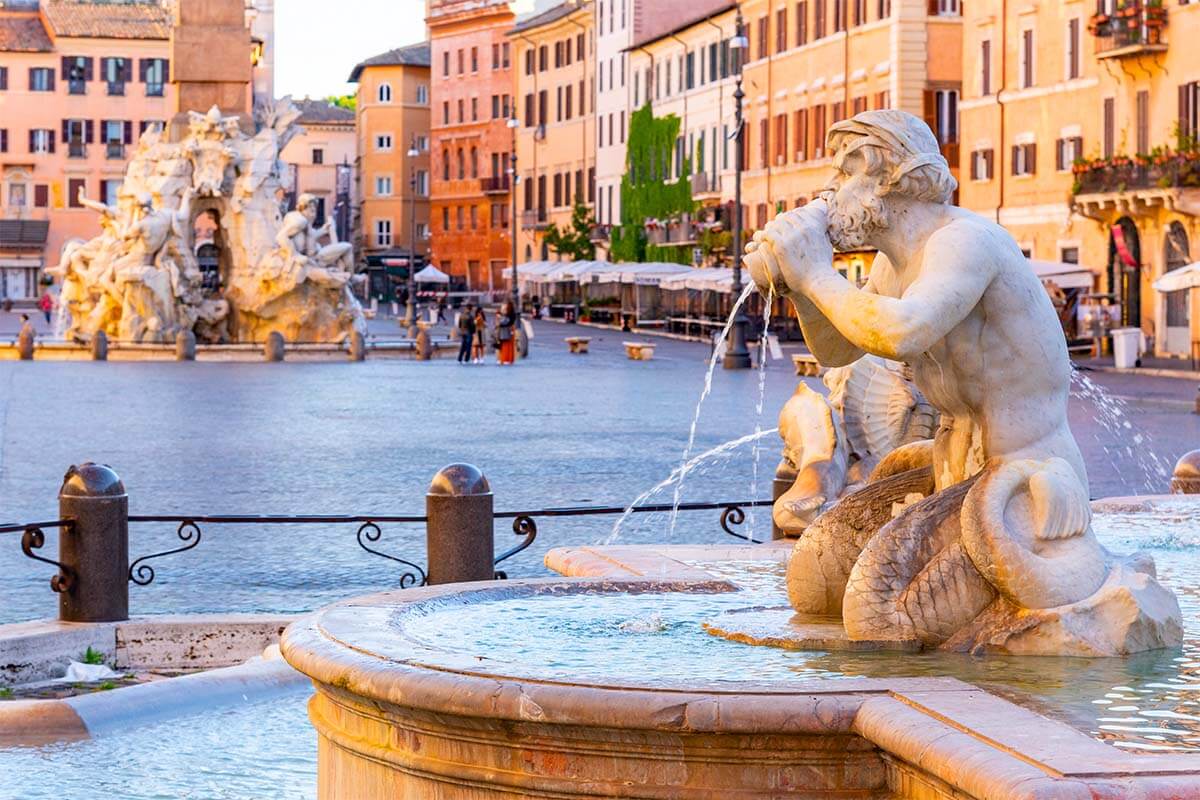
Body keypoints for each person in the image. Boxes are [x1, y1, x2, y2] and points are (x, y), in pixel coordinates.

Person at [495, 301, 516, 365]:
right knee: (507, 345)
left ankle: (504, 359)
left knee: (505, 345)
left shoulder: (508, 315)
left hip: (506, 330)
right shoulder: (510, 314)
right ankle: (507, 359)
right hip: (508, 330)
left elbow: (503, 322)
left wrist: (499, 317)